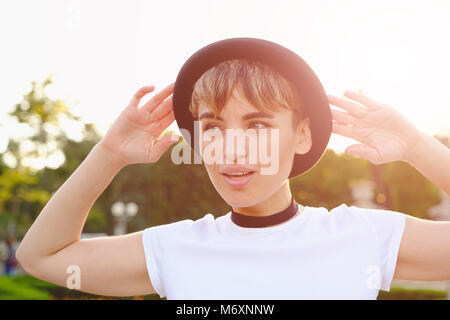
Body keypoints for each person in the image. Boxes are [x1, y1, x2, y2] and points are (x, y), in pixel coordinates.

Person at [15, 46, 450, 299]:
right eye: (213, 127)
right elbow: (42, 257)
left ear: (302, 136)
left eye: (258, 124)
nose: (231, 146)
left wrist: (416, 146)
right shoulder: (176, 247)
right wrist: (108, 153)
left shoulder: (360, 235)